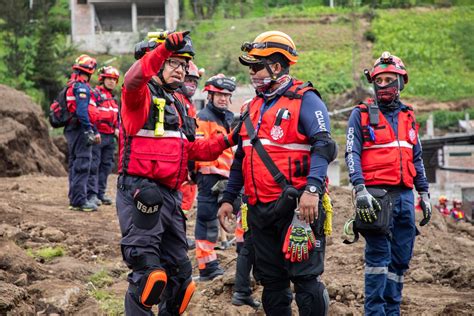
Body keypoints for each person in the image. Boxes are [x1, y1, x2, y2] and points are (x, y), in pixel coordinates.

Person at [116, 30, 238, 315]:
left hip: (171, 197)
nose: (181, 70)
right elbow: (133, 78)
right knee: (149, 276)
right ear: (156, 62)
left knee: (181, 280)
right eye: (174, 62)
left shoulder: (178, 105)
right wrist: (161, 50)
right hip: (141, 191)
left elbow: (193, 150)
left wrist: (230, 138)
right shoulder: (138, 97)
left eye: (184, 65)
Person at [218, 30, 337, 315]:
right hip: (259, 212)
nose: (252, 72)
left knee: (307, 283)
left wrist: (312, 191)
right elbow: (241, 157)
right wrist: (228, 197)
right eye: (250, 67)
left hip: (298, 208)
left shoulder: (306, 100)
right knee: (272, 285)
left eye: (257, 65)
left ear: (277, 64)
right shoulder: (250, 107)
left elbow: (323, 147)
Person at [344, 51, 432, 315]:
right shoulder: (360, 115)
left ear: (400, 82)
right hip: (376, 198)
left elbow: (416, 157)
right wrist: (359, 188)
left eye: (389, 79)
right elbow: (351, 153)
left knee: (400, 261)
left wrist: (424, 193)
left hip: (405, 198)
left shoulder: (408, 116)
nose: (383, 85)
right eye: (378, 80)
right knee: (378, 260)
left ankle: (392, 311)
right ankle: (375, 312)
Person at [193, 73, 236, 281]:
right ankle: (207, 268)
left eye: (227, 95)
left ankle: (247, 259)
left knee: (243, 215)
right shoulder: (203, 118)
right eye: (218, 94)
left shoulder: (227, 117)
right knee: (207, 221)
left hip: (227, 178)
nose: (223, 99)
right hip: (210, 179)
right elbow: (199, 150)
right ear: (209, 96)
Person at [66, 54, 100, 212]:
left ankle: (75, 198)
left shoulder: (73, 84)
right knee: (82, 164)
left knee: (74, 164)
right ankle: (79, 201)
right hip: (80, 130)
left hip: (73, 129)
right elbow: (82, 112)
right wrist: (88, 130)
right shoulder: (81, 87)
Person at [87, 66, 120, 206]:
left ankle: (100, 193)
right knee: (94, 165)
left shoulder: (113, 99)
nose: (112, 82)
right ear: (102, 79)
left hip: (110, 137)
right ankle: (92, 194)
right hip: (98, 136)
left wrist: (117, 129)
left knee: (106, 165)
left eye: (114, 79)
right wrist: (95, 131)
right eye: (109, 79)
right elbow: (91, 114)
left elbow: (117, 118)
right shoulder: (95, 94)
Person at [175, 61, 204, 217]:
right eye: (188, 80)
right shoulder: (178, 99)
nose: (191, 84)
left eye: (194, 81)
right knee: (183, 195)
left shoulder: (188, 102)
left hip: (187, 156)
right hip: (180, 157)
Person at [232, 200, 261, 309]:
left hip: (245, 205)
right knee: (249, 245)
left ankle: (242, 291)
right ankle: (242, 291)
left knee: (247, 245)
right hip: (254, 204)